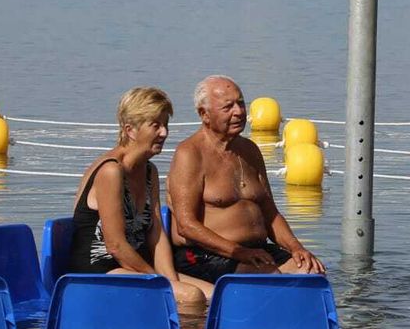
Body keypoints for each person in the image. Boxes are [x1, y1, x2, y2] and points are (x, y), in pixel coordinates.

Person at [169, 75, 325, 282]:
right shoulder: (189, 154)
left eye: (241, 104)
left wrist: (297, 248)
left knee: (311, 272)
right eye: (228, 107)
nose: (239, 112)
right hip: (204, 254)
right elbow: (186, 225)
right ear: (204, 114)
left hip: (256, 251)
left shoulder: (250, 150)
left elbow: (270, 214)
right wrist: (239, 252)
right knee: (265, 275)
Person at [68, 86, 206, 312]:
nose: (164, 133)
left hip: (133, 267)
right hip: (98, 271)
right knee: (191, 297)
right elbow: (115, 245)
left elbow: (156, 234)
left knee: (217, 294)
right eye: (156, 125)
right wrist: (158, 281)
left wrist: (170, 278)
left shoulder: (149, 170)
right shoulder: (110, 171)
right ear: (130, 130)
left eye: (165, 124)